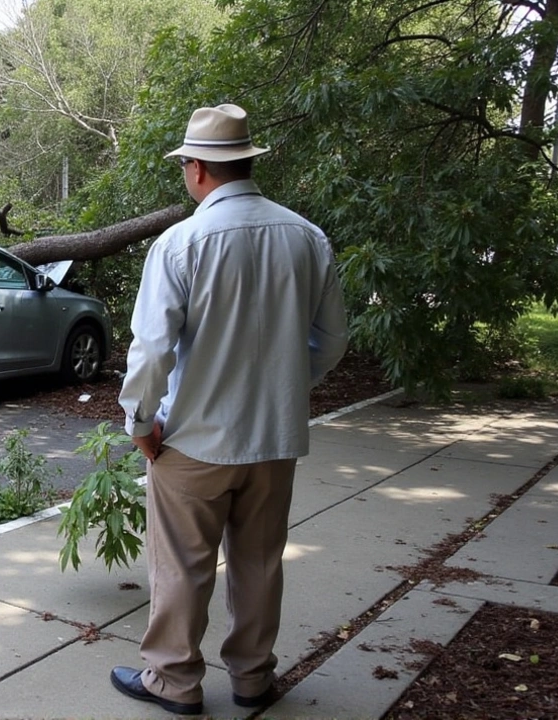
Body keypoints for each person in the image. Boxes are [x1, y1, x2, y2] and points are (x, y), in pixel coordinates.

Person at [111, 103, 348, 716]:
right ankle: (252, 679)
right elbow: (333, 340)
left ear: (197, 169)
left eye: (185, 165)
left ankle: (173, 681)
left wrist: (140, 422)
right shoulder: (306, 236)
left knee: (183, 568)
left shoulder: (181, 242)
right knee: (260, 564)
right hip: (273, 437)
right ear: (244, 161)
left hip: (191, 439)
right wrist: (290, 385)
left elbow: (152, 348)